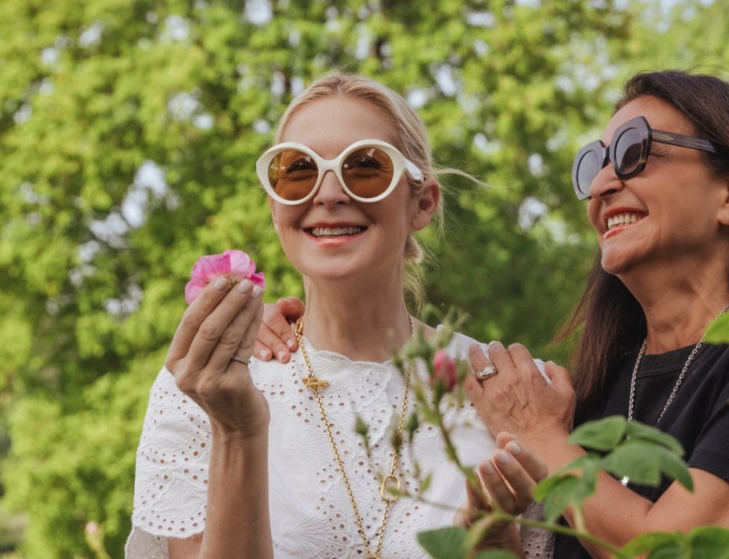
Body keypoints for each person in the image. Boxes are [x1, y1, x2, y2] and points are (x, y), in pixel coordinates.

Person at [258, 70, 729, 558]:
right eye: (596, 161)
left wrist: (543, 436)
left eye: (634, 153)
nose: (602, 183)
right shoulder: (601, 389)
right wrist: (499, 544)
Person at [126, 72, 541, 558]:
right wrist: (236, 429)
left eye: (365, 167)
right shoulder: (205, 391)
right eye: (298, 170)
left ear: (422, 203)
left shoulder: (502, 392)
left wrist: (493, 546)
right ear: (274, 207)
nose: (327, 193)